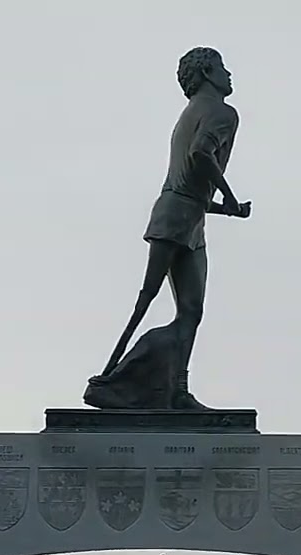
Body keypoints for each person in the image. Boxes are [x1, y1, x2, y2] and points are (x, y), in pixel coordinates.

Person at [87, 47, 251, 410]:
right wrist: (232, 197)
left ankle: (176, 390)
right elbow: (200, 156)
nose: (229, 74)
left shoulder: (190, 113)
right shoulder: (222, 112)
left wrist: (228, 210)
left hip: (189, 218)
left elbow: (194, 184)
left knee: (190, 311)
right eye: (223, 67)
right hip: (177, 216)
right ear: (207, 72)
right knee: (146, 301)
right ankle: (110, 380)